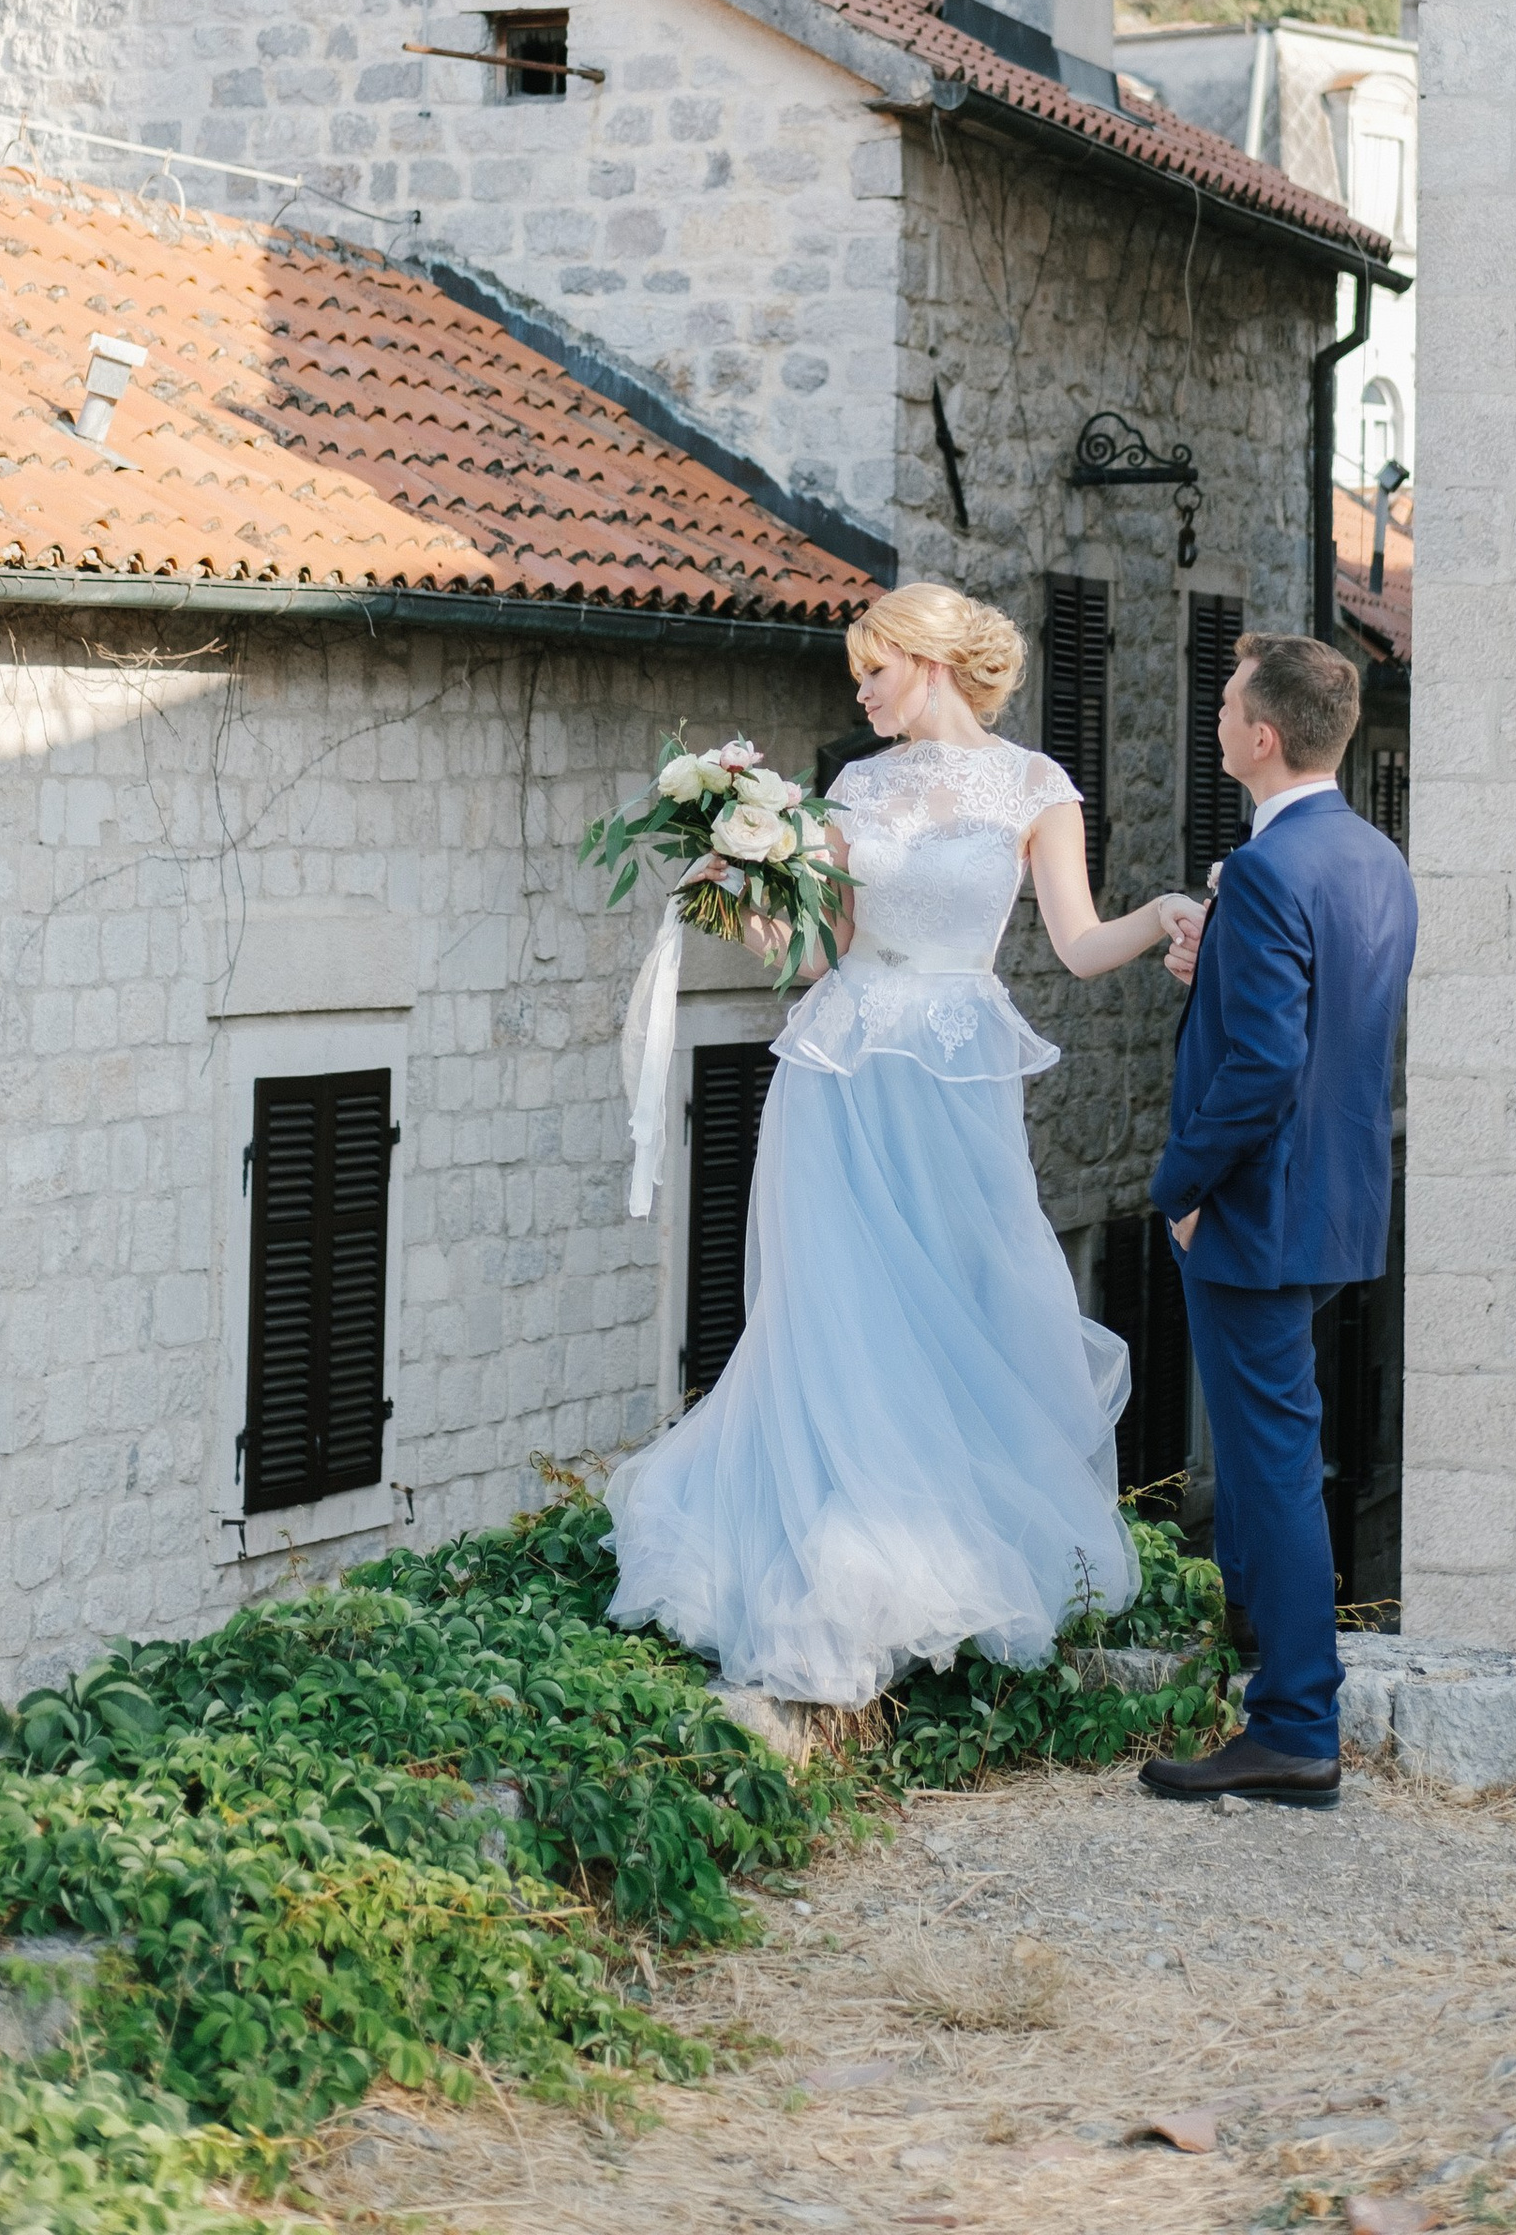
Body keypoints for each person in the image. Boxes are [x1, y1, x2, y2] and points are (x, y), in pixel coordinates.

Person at [604, 582, 1200, 1706]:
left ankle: (947, 1562)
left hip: (956, 1079)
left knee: (970, 1290)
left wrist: (1164, 910)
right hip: (839, 1073)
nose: (862, 693)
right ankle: (842, 1568)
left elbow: (1074, 945)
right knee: (838, 1305)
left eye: (871, 672)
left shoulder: (1036, 787)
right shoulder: (852, 787)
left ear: (923, 662)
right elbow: (817, 952)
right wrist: (727, 892)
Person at [1136, 629, 1416, 1810]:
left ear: (1260, 737)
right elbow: (1319, 1026)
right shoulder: (1373, 856)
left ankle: (1296, 1721)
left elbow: (1259, 1066)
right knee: (1266, 1466)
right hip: (1334, 1196)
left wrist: (1178, 1187)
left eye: (1227, 706)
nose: (1216, 723)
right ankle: (1266, 1691)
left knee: (1273, 1466)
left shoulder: (1261, 871)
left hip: (1251, 1209)